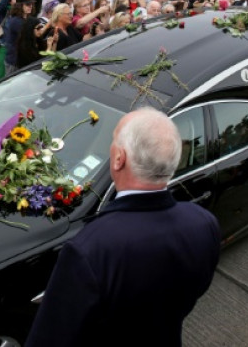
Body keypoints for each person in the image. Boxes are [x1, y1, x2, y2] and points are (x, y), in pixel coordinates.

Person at [25, 107, 220, 347]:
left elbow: (50, 339)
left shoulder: (90, 249)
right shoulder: (203, 222)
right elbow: (196, 288)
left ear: (119, 159)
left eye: (113, 140)